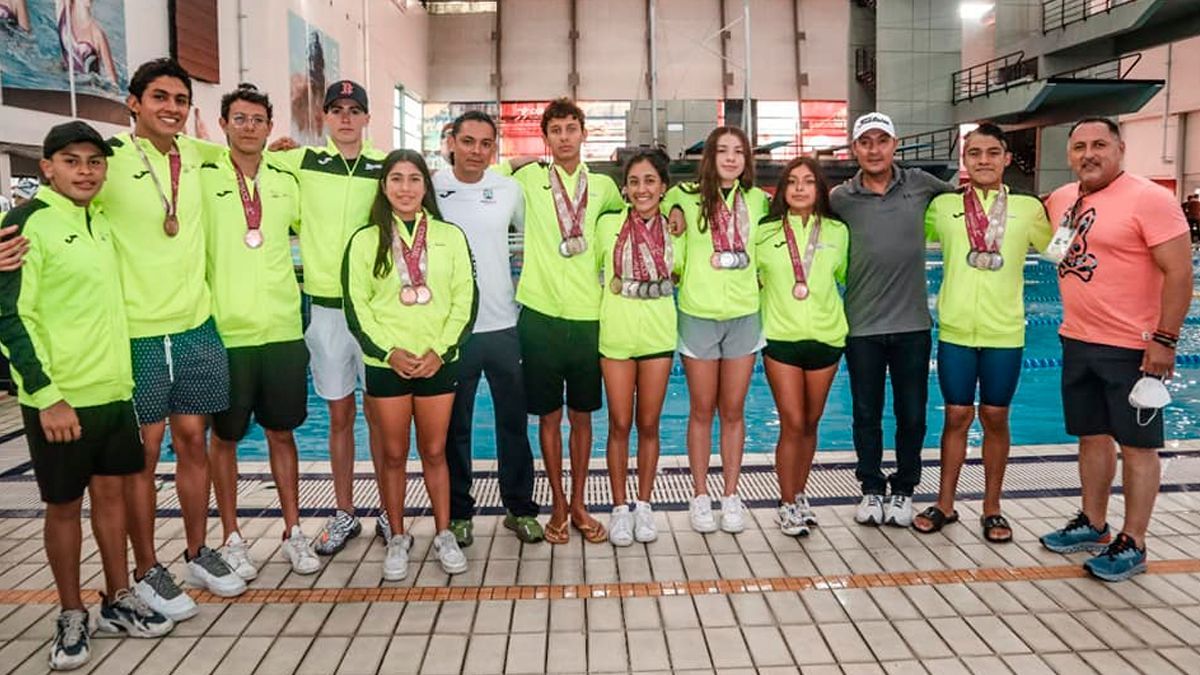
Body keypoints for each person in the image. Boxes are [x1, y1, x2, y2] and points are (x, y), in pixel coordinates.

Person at [0, 121, 174, 671]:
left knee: (113, 496)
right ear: (46, 167)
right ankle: (71, 611)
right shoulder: (25, 224)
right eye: (71, 161)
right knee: (64, 507)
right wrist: (46, 394)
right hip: (61, 399)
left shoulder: (98, 220)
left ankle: (118, 597)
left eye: (94, 162)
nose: (85, 171)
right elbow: (10, 316)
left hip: (113, 390)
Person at [103, 58, 243, 616]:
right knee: (144, 452)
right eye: (159, 97)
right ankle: (145, 569)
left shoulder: (198, 155)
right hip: (138, 330)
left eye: (181, 100)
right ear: (133, 102)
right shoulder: (107, 159)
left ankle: (196, 550)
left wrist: (283, 149)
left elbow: (246, 152)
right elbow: (56, 201)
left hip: (195, 324)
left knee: (193, 440)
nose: (171, 108)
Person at [1039, 118, 1193, 582]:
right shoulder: (1063, 199)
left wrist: (1165, 339)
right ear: (1069, 154)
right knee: (1091, 436)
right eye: (1079, 146)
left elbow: (1180, 273)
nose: (1089, 154)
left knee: (1138, 446)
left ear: (1120, 148)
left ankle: (1135, 541)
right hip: (1077, 339)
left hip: (1133, 347)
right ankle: (1094, 522)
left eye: (1099, 145)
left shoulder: (1151, 199)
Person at [202, 84, 321, 578]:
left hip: (282, 329)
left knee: (282, 432)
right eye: (240, 119)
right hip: (227, 331)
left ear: (271, 127)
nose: (249, 127)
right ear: (224, 124)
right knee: (225, 437)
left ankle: (293, 530)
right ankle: (231, 536)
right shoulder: (203, 177)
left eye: (257, 120)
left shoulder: (286, 180)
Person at [343, 149, 477, 579]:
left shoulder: (449, 236)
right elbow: (357, 306)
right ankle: (398, 536)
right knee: (394, 454)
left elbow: (465, 299)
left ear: (425, 186)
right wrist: (388, 352)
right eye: (397, 179)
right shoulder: (365, 240)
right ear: (384, 187)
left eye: (414, 179)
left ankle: (444, 533)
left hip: (438, 361)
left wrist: (441, 350)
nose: (405, 188)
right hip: (387, 364)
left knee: (435, 452)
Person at [914, 123, 1052, 541]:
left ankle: (992, 507)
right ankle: (945, 503)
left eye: (992, 152)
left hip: (1005, 333)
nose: (984, 160)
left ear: (1006, 159)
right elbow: (904, 235)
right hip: (955, 331)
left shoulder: (1028, 208)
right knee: (956, 416)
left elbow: (1059, 251)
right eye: (974, 153)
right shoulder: (943, 207)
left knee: (995, 417)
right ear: (965, 160)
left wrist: (1077, 210)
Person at [269, 80, 390, 555]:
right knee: (340, 415)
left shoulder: (385, 167)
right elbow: (243, 158)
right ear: (323, 117)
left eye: (354, 110)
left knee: (381, 416)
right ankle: (344, 512)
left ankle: (389, 508)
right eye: (336, 110)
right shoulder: (301, 162)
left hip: (376, 311)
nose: (345, 118)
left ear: (367, 118)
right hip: (325, 310)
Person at [499, 98, 624, 545]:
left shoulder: (604, 188)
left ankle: (579, 503)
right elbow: (482, 177)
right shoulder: (526, 180)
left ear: (584, 134)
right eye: (556, 130)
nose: (565, 137)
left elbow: (631, 220)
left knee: (583, 417)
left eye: (572, 128)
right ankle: (555, 503)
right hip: (539, 315)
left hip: (589, 316)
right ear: (545, 137)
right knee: (548, 418)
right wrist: (516, 160)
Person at [830, 112, 956, 528]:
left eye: (881, 141)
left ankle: (904, 488)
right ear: (854, 149)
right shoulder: (840, 198)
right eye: (865, 142)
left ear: (894, 146)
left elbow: (965, 201)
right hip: (862, 326)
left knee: (913, 414)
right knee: (866, 414)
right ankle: (870, 487)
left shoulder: (921, 184)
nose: (874, 150)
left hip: (912, 326)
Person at [434, 111, 543, 547]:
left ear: (493, 148)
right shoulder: (433, 188)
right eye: (468, 141)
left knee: (513, 425)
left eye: (485, 144)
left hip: (503, 325)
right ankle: (460, 514)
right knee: (455, 428)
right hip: (453, 329)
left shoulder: (508, 190)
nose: (476, 151)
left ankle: (520, 509)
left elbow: (541, 234)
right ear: (452, 142)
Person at [665, 126, 769, 535]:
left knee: (733, 411)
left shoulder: (758, 201)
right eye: (722, 150)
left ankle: (730, 495)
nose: (730, 158)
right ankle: (699, 495)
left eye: (738, 152)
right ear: (709, 157)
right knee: (701, 410)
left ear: (746, 160)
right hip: (698, 314)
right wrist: (673, 206)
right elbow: (666, 205)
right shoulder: (686, 198)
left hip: (744, 314)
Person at [755, 157, 848, 537]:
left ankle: (800, 493)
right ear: (782, 189)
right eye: (792, 181)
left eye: (808, 181)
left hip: (827, 336)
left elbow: (845, 275)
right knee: (792, 422)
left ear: (819, 189)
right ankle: (785, 501)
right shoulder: (764, 232)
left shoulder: (838, 231)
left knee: (810, 422)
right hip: (781, 337)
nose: (799, 188)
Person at [596, 149, 677, 546]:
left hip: (659, 335)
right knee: (619, 423)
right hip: (616, 335)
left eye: (649, 181)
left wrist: (678, 207)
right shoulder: (606, 225)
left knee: (648, 424)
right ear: (624, 189)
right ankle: (618, 506)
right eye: (633, 182)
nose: (642, 189)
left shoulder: (678, 228)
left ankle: (644, 504)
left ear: (663, 187)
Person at [56, 0, 118, 84]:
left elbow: (113, 81)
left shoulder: (97, 34)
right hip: (63, 80)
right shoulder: (64, 12)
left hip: (89, 88)